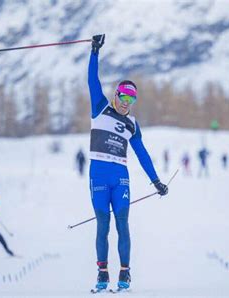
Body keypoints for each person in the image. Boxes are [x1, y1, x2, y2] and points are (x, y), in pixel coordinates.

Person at [88, 34, 168, 291]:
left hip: (120, 177)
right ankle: (102, 273)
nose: (126, 104)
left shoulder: (131, 124)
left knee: (122, 224)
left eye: (131, 100)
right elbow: (92, 80)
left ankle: (125, 273)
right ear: (116, 95)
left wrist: (156, 180)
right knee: (103, 224)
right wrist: (94, 51)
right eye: (124, 97)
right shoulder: (100, 107)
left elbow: (142, 153)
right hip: (98, 175)